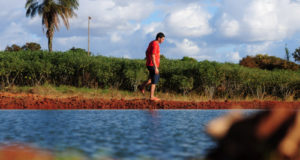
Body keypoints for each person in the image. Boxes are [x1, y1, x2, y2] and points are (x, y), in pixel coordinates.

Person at [138, 32, 165, 101]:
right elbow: (153, 55)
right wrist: (155, 67)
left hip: (150, 64)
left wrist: (148, 59)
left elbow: (146, 52)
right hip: (152, 65)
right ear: (159, 38)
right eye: (162, 39)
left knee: (151, 79)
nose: (163, 41)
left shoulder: (152, 42)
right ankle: (152, 97)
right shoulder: (155, 44)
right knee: (155, 80)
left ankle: (141, 86)